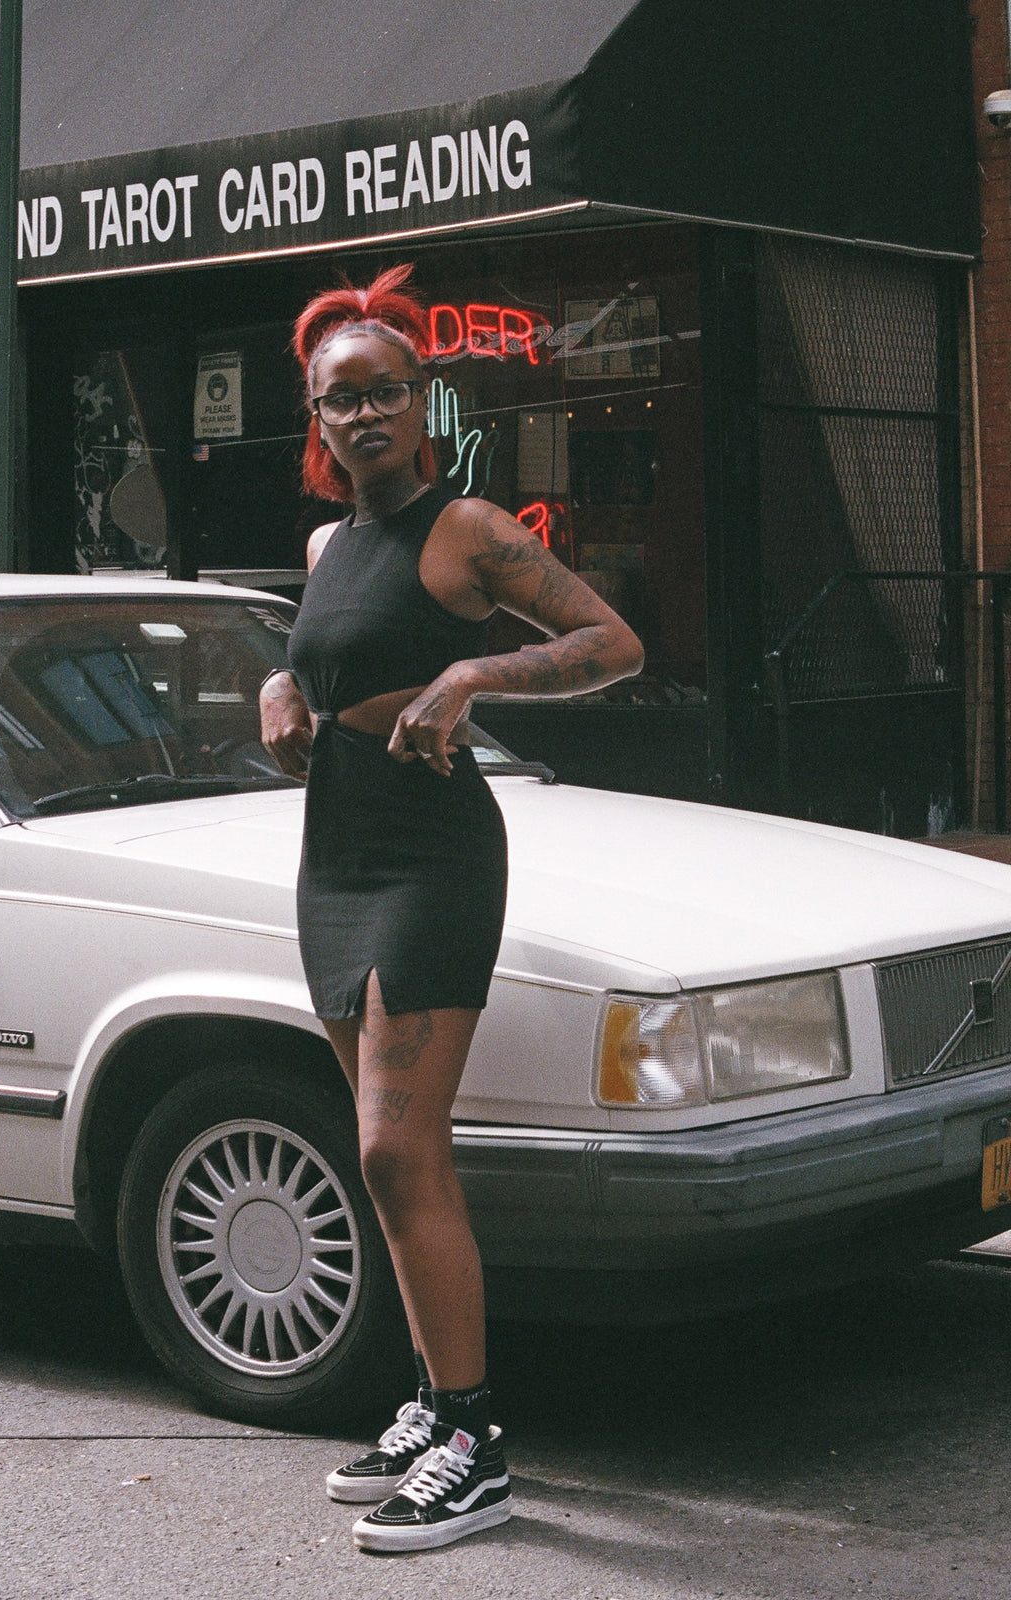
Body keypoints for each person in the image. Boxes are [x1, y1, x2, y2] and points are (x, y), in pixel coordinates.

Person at [260, 264, 644, 1552]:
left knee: (388, 1147)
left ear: (417, 404)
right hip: (335, 858)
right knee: (393, 1157)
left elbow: (614, 644)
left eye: (382, 392)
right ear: (315, 425)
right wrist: (283, 691)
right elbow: (330, 651)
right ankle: (433, 1404)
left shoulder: (471, 530)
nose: (362, 416)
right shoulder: (325, 545)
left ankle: (475, 1443)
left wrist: (474, 669)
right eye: (337, 400)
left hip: (432, 855)